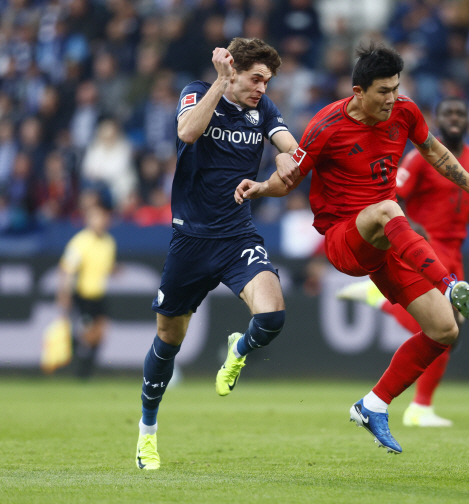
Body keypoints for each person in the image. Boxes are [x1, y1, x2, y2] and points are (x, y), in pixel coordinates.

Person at [235, 43, 469, 454]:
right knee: (386, 208)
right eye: (383, 91)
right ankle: (450, 284)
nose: (392, 98)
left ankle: (373, 404)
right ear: (358, 91)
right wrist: (260, 188)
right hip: (346, 239)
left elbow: (435, 153)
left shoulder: (405, 113)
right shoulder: (326, 124)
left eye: (396, 88)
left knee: (444, 330)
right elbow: (291, 177)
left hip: (385, 241)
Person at [135, 38, 300, 470]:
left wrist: (287, 161)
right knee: (169, 340)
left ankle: (239, 349)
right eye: (255, 78)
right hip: (190, 240)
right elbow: (187, 132)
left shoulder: (263, 111)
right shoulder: (196, 91)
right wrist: (221, 80)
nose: (262, 88)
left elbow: (292, 148)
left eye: (268, 80)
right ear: (235, 72)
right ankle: (147, 434)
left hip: (236, 237)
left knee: (272, 316)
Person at [335, 97, 469, 427]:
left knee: (451, 332)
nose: (454, 117)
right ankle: (419, 406)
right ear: (436, 119)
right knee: (444, 325)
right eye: (447, 112)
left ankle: (421, 406)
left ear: (468, 119)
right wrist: (413, 231)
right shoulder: (420, 158)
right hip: (426, 250)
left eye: (460, 112)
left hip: (456, 250)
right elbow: (393, 198)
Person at [56, 200, 116, 379]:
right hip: (83, 295)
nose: (100, 220)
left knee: (101, 335)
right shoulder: (80, 242)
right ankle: (77, 362)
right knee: (90, 335)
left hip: (99, 295)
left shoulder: (108, 242)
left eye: (103, 216)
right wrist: (64, 294)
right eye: (95, 216)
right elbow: (66, 269)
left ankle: (85, 372)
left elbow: (106, 266)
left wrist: (115, 269)